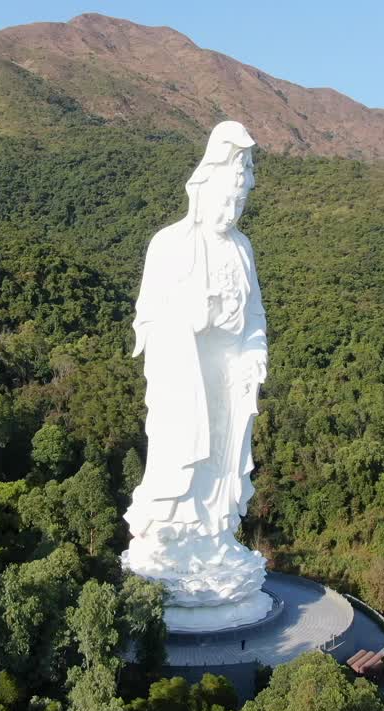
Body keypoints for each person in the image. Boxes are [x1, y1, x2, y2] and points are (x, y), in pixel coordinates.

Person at [121, 121, 271, 631]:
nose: (234, 210)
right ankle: (171, 538)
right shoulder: (169, 244)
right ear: (204, 191)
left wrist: (254, 351)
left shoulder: (242, 248)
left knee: (223, 464)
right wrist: (188, 317)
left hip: (227, 374)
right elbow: (148, 316)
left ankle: (213, 537)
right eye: (228, 198)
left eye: (242, 200)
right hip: (184, 370)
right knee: (183, 452)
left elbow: (255, 316)